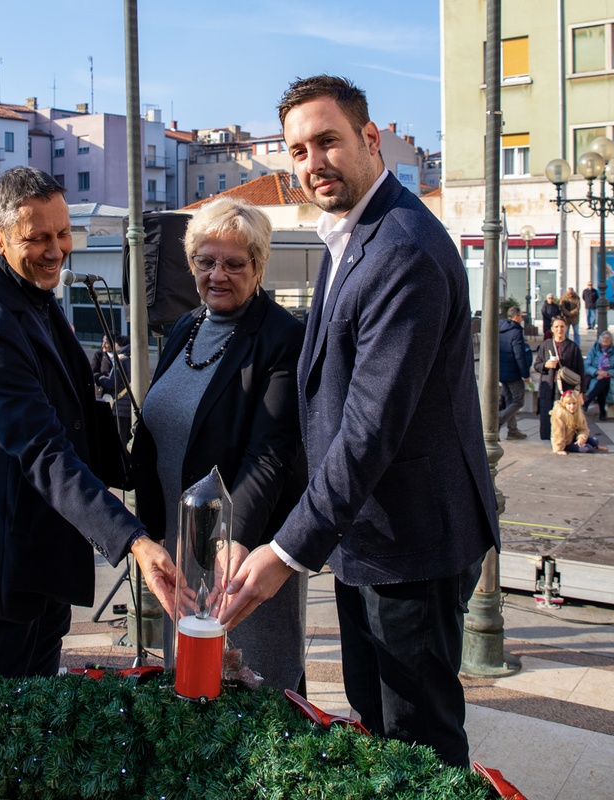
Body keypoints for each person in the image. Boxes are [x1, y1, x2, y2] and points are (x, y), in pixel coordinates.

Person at [219, 76, 499, 767]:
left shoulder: (402, 245)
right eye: (297, 150)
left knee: (419, 742)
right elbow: (326, 400)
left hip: (411, 542)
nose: (312, 161)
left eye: (327, 141)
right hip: (368, 536)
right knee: (377, 721)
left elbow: (370, 426)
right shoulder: (355, 232)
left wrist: (284, 553)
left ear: (370, 141)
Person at [0, 166, 175, 679]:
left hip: (42, 546)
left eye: (64, 233)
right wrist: (132, 540)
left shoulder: (24, 289)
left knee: (36, 706)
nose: (57, 249)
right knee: (2, 720)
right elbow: (43, 449)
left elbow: (71, 406)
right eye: (38, 238)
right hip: (11, 553)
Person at [132, 197, 307, 692]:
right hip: (179, 547)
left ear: (258, 265)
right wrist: (152, 531)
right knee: (189, 683)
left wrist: (236, 538)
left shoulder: (281, 338)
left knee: (253, 696)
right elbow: (156, 432)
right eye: (205, 261)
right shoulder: (185, 327)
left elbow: (271, 453)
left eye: (234, 263)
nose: (218, 275)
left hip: (242, 555)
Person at [533, 317, 584, 441]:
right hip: (548, 385)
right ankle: (546, 437)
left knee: (563, 414)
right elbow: (537, 365)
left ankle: (563, 439)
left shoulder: (573, 347)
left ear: (566, 328)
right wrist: (546, 365)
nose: (559, 329)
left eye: (562, 326)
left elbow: (580, 370)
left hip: (565, 387)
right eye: (556, 327)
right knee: (547, 412)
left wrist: (581, 392)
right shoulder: (546, 345)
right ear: (552, 329)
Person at [498, 305, 532, 440]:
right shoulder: (516, 331)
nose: (523, 318)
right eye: (522, 316)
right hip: (513, 372)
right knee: (518, 401)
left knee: (510, 400)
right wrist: (525, 375)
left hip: (502, 371)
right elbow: (519, 355)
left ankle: (512, 430)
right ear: (516, 317)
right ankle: (498, 420)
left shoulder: (500, 328)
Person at [95, 335, 133, 445]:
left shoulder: (121, 361)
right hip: (130, 407)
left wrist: (101, 379)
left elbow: (112, 384)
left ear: (120, 345)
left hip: (119, 407)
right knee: (128, 439)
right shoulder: (134, 360)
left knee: (118, 441)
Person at [550, 390, 607, 455]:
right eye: (569, 404)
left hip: (574, 437)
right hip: (566, 441)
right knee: (587, 448)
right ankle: (592, 447)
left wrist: (581, 438)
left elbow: (584, 429)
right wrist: (559, 449)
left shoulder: (579, 413)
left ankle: (595, 446)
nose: (572, 406)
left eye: (574, 403)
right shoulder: (559, 415)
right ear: (564, 404)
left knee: (595, 440)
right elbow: (558, 433)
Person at [582, 331, 614, 421]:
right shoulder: (593, 351)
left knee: (604, 380)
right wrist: (597, 372)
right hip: (596, 376)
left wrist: (606, 373)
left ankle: (588, 402)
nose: (605, 340)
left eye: (608, 338)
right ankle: (602, 412)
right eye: (604, 338)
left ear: (611, 341)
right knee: (601, 384)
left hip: (609, 378)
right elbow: (586, 365)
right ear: (600, 340)